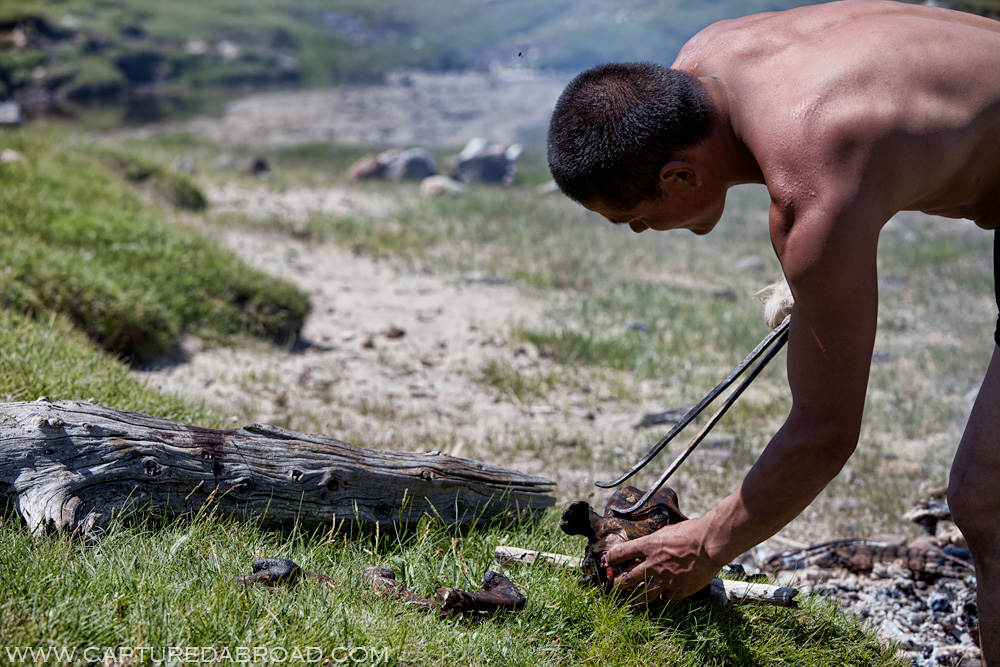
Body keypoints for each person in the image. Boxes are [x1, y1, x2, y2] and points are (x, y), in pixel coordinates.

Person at [546, 0, 1000, 661]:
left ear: (678, 176)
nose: (643, 232)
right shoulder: (711, 57)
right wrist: (817, 280)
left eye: (637, 218)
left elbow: (825, 433)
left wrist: (703, 546)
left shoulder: (813, 178)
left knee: (987, 496)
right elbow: (896, 125)